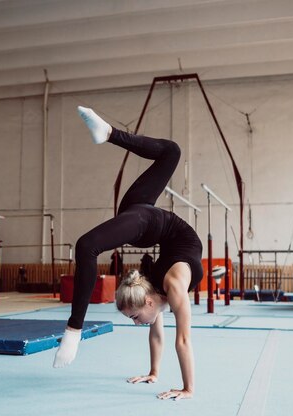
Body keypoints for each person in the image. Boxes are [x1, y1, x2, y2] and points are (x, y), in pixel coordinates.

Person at [53, 106, 203, 401]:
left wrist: (182, 387)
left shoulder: (157, 291)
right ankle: (74, 329)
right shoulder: (171, 288)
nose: (136, 322)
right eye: (135, 317)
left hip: (147, 219)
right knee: (86, 246)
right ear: (150, 301)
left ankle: (109, 133)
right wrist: (158, 375)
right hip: (148, 220)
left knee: (172, 151)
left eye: (134, 316)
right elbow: (177, 338)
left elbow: (175, 338)